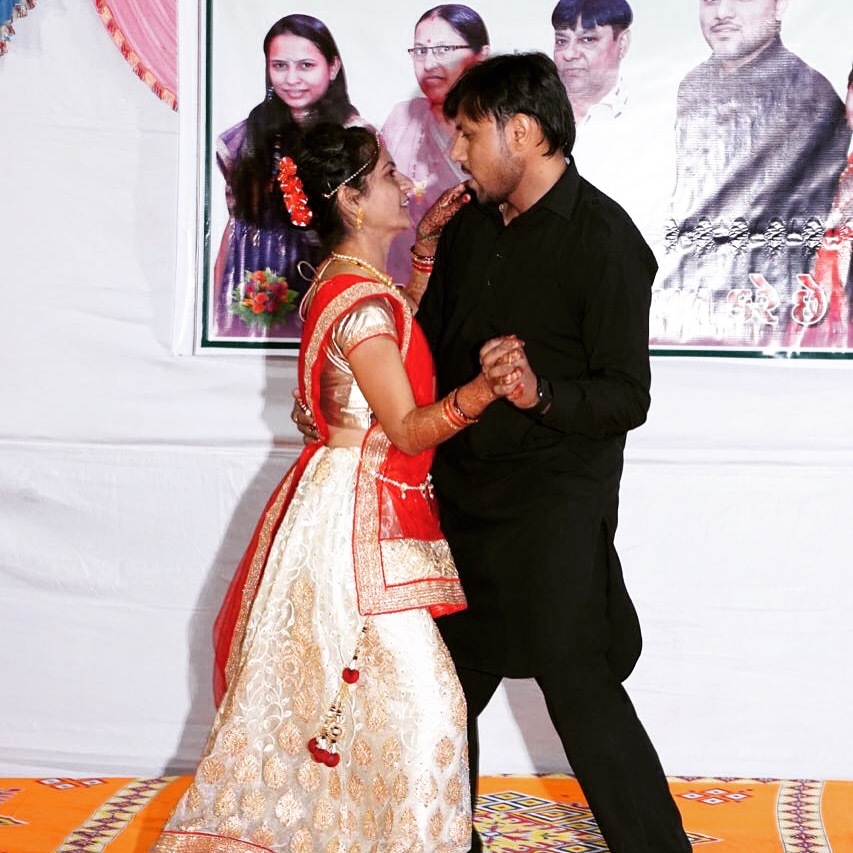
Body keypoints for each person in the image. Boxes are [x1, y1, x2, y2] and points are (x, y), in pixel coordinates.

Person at [296, 52, 692, 853]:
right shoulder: (468, 228)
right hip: (459, 501)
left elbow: (627, 396)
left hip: (553, 505)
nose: (455, 154)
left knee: (578, 689)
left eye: (470, 134)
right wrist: (419, 266)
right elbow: (424, 353)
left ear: (524, 132)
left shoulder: (605, 240)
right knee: (438, 695)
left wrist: (538, 393)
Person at [151, 123, 524, 853]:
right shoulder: (361, 303)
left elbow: (389, 342)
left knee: (361, 708)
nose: (407, 185)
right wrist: (484, 390)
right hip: (356, 521)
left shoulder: (347, 285)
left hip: (337, 503)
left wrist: (422, 254)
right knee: (426, 711)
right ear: (351, 201)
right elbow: (407, 428)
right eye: (387, 175)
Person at [656, 0, 851, 347]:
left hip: (771, 311)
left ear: (780, 5)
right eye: (710, 0)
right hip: (695, 303)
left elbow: (810, 237)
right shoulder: (694, 84)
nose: (722, 12)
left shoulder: (812, 98)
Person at [211, 14, 361, 341]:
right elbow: (235, 225)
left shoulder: (357, 139)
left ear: (333, 67)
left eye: (306, 65)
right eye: (279, 66)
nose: (292, 79)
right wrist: (215, 302)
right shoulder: (245, 139)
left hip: (322, 279)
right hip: (253, 284)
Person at [381, 4, 490, 283]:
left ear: (481, 56)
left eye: (443, 50)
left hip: (472, 279)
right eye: (420, 51)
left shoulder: (496, 129)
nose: (428, 64)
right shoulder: (401, 118)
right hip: (401, 282)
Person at [551, 0, 633, 126]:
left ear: (622, 44)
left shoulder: (647, 107)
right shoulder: (534, 106)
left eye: (587, 39)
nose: (569, 54)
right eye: (561, 41)